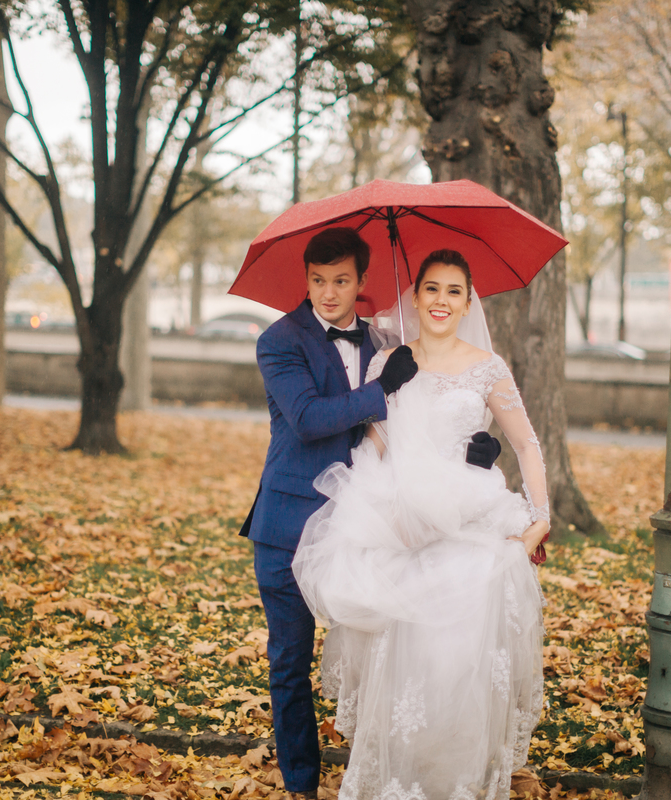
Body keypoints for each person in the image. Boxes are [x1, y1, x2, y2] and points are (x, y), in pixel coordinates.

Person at [292, 249, 551, 800]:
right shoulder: (390, 363)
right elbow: (377, 443)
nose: (441, 301)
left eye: (453, 291)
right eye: (431, 289)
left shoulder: (488, 367)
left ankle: (455, 785)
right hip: (404, 531)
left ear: (467, 301)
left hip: (469, 530)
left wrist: (540, 516)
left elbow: (526, 443)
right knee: (406, 673)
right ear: (416, 296)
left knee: (457, 666)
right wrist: (377, 507)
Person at [240, 227, 420, 799]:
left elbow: (410, 424)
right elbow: (310, 419)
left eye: (341, 281)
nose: (328, 293)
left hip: (364, 526)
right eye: (318, 281)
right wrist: (380, 391)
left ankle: (373, 780)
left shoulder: (384, 343)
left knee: (378, 662)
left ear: (362, 282)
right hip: (288, 527)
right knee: (290, 665)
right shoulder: (279, 339)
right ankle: (302, 786)